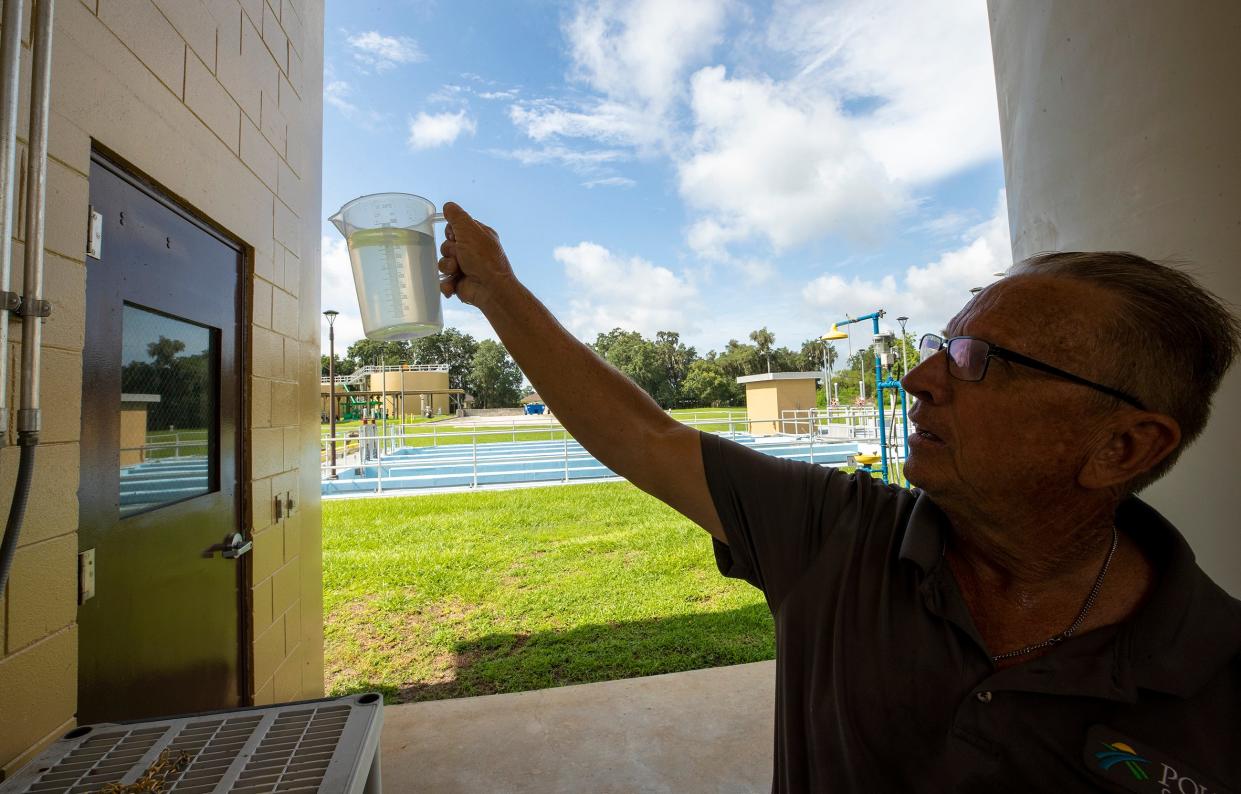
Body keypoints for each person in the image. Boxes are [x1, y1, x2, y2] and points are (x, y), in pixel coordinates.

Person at [436, 203, 1241, 792]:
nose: (918, 379)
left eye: (976, 358)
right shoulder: (838, 535)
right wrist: (497, 289)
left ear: (1122, 446)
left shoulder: (1219, 681)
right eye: (939, 346)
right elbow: (643, 438)